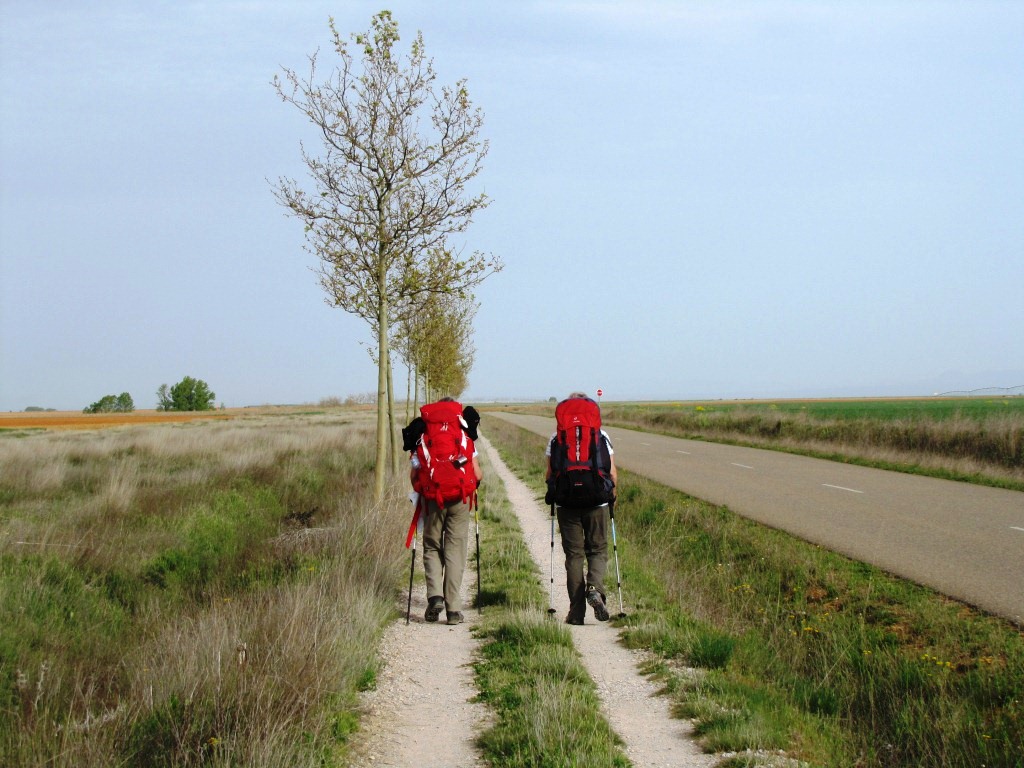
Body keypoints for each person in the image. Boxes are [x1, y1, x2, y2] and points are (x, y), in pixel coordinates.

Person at [545, 392, 617, 625]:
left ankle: (576, 613)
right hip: (597, 501)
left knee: (574, 556)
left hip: (567, 502)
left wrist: (553, 492)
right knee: (597, 550)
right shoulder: (601, 435)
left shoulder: (556, 437)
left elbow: (550, 473)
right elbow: (612, 471)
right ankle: (595, 588)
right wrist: (612, 494)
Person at [409, 398, 483, 626]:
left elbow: (414, 477)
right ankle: (453, 609)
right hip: (459, 500)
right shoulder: (463, 433)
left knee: (431, 546)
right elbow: (478, 475)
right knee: (455, 551)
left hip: (433, 501)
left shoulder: (423, 435)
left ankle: (435, 597)